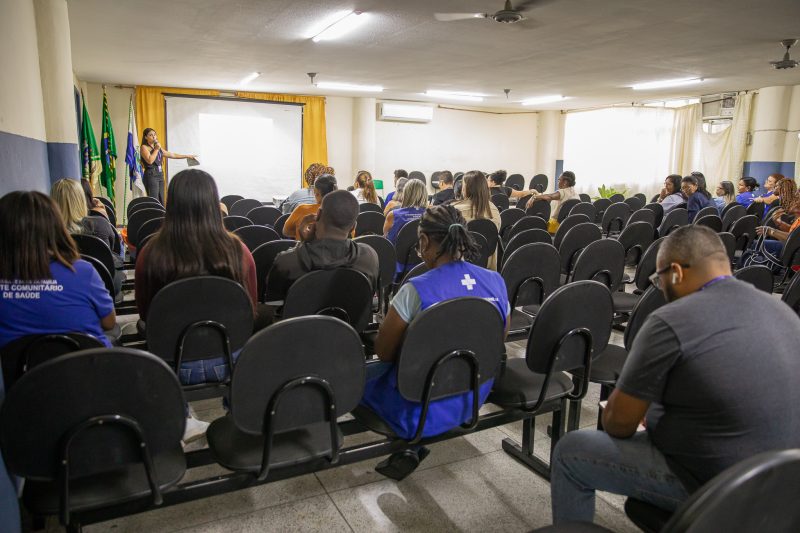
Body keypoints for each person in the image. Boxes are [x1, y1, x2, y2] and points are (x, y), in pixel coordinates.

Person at [549, 225, 800, 525]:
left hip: (721, 486)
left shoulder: (671, 320)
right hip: (786, 482)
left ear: (677, 273)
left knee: (571, 451)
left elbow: (618, 424)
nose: (660, 288)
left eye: (659, 279)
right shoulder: (780, 310)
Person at [361, 204, 510, 480]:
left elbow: (384, 352)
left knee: (357, 375)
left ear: (425, 241)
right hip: (473, 396)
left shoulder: (416, 289)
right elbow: (497, 339)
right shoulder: (495, 281)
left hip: (416, 406)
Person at [135, 169, 257, 382]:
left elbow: (147, 315)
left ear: (171, 204)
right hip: (230, 358)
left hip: (172, 363)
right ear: (213, 204)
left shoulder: (150, 252)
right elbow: (250, 308)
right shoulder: (239, 251)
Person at [0, 191, 116, 350]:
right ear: (54, 226)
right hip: (91, 369)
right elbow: (109, 322)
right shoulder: (82, 272)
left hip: (24, 373)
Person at [265, 190, 379, 303]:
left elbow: (273, 309)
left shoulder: (286, 262)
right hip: (350, 321)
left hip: (301, 321)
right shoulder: (369, 258)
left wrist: (303, 243)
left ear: (318, 214)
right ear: (353, 227)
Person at [50, 178, 125, 296]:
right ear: (81, 200)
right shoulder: (100, 223)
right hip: (104, 285)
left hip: (64, 290)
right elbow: (111, 248)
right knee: (120, 247)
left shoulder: (48, 233)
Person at [139, 128, 197, 204]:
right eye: (151, 135)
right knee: (154, 200)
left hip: (160, 174)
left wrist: (187, 156)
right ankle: (154, 215)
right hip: (151, 174)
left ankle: (162, 215)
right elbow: (150, 161)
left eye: (154, 135)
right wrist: (156, 149)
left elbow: (172, 155)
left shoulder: (157, 148)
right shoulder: (144, 147)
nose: (154, 137)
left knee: (162, 199)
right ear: (146, 137)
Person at [385, 179, 429, 277]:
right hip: (426, 264)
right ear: (424, 194)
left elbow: (386, 239)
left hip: (398, 266)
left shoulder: (393, 215)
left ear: (406, 194)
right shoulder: (432, 215)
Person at [282, 175, 337, 239]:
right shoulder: (343, 212)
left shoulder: (302, 209)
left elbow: (286, 231)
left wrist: (299, 234)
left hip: (303, 247)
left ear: (316, 193)